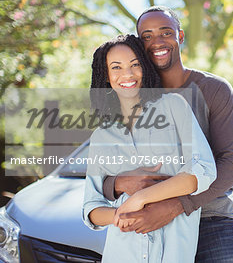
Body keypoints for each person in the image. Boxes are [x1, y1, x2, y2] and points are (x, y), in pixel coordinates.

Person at [102, 6, 233, 262]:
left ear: (180, 37)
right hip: (150, 226)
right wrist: (117, 184)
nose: (156, 41)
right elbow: (104, 170)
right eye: (146, 36)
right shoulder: (129, 97)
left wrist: (175, 206)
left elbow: (232, 164)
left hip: (211, 220)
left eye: (165, 32)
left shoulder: (213, 90)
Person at [82, 34, 216, 263]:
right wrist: (119, 216)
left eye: (135, 64)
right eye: (117, 67)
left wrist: (140, 198)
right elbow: (91, 207)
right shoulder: (101, 136)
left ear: (144, 68)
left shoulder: (174, 107)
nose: (128, 74)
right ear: (106, 76)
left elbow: (202, 171)